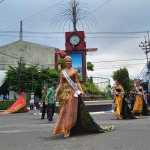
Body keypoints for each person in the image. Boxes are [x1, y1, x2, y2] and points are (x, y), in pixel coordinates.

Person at [53, 55, 115, 138]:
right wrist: (56, 92)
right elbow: (60, 83)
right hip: (63, 94)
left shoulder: (74, 72)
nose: (68, 62)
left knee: (70, 111)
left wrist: (81, 91)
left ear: (71, 62)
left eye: (69, 61)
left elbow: (77, 82)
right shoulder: (62, 72)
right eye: (67, 61)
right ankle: (64, 127)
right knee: (64, 110)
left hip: (72, 92)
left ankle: (68, 129)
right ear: (65, 62)